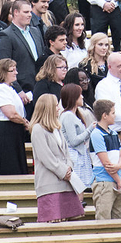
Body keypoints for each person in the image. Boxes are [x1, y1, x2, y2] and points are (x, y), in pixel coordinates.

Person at [29, 93, 81, 222]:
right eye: (56, 105)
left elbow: (66, 152)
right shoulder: (38, 129)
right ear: (48, 108)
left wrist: (69, 167)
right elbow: (46, 157)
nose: (59, 108)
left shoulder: (57, 128)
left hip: (66, 184)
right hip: (50, 185)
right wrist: (63, 171)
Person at [0, 58, 30, 175]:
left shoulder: (9, 88)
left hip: (11, 130)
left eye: (15, 69)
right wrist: (24, 122)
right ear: (3, 73)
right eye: (12, 70)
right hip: (2, 132)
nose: (16, 72)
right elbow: (11, 114)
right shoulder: (0, 89)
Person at [89, 99, 121, 220]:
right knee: (103, 217)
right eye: (113, 113)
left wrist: (119, 166)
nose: (115, 115)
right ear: (104, 116)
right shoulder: (96, 134)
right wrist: (120, 182)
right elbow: (106, 164)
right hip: (103, 182)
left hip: (116, 180)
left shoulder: (114, 133)